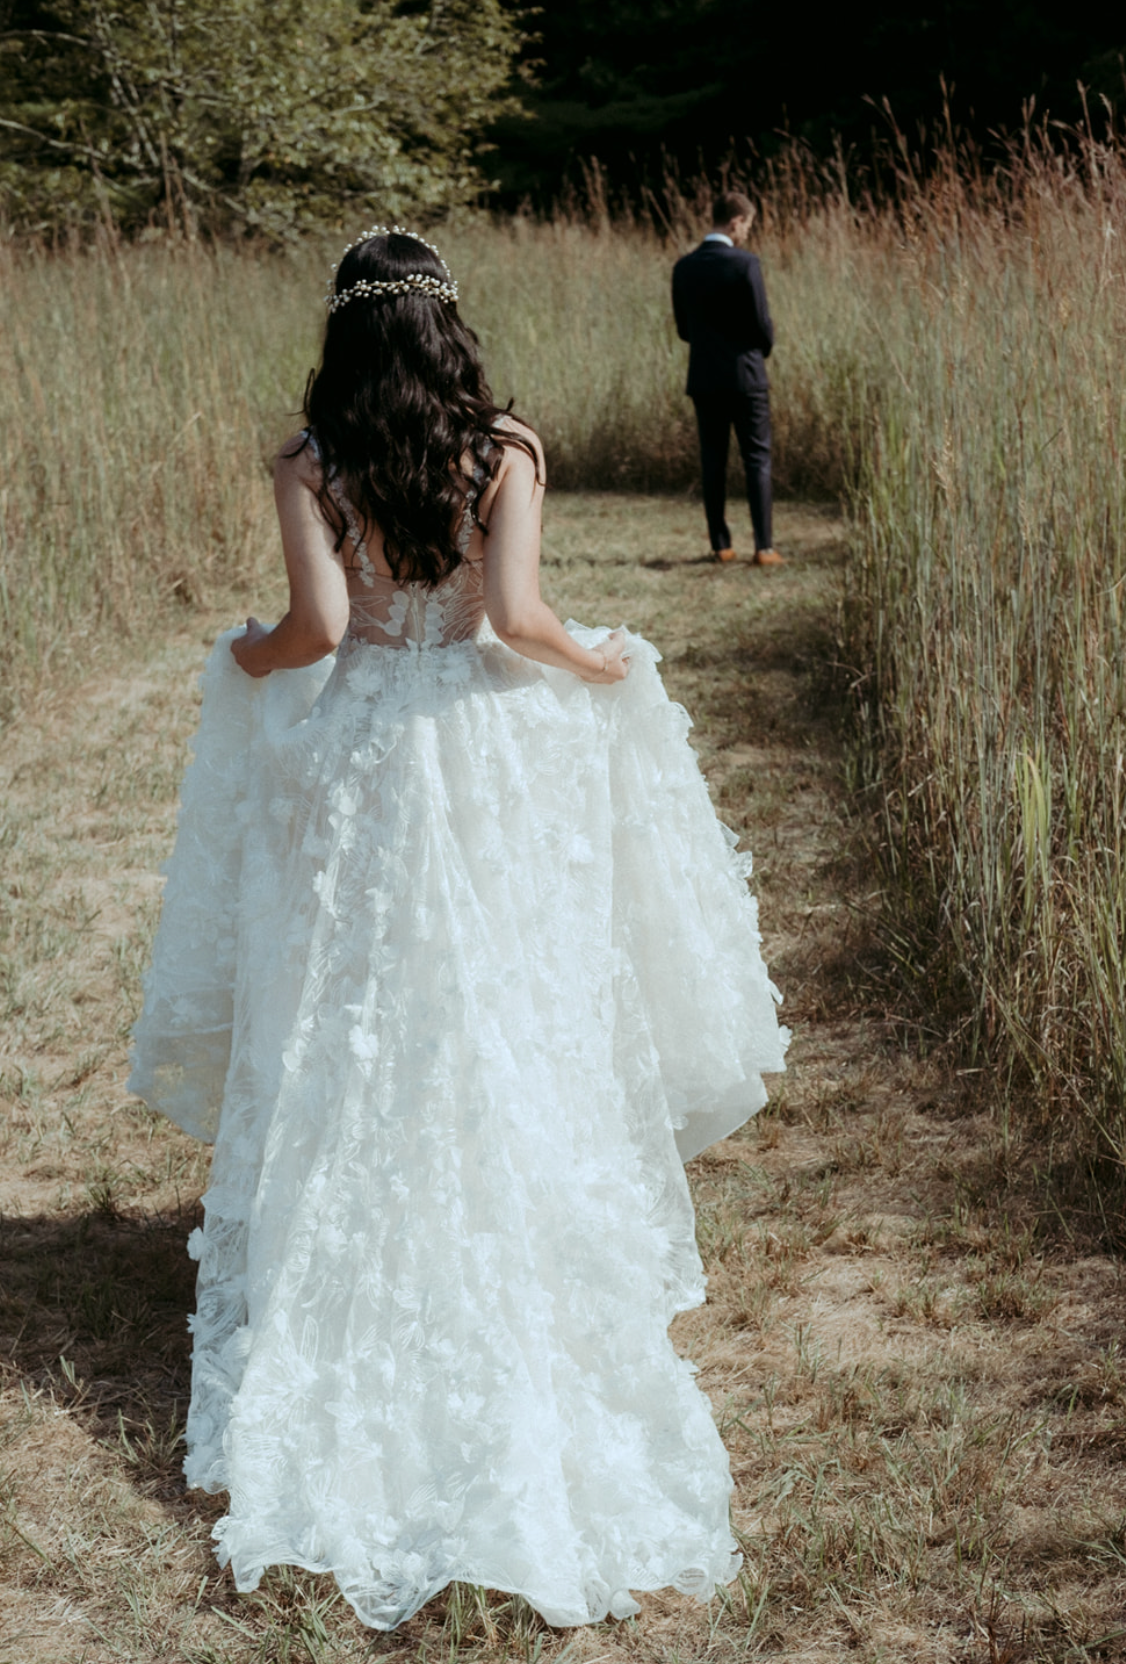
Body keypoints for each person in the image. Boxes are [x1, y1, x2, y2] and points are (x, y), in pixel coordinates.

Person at [129, 227, 788, 1632]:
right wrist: (599, 660)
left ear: (345, 333)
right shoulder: (509, 451)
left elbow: (313, 630)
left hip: (363, 746)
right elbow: (515, 617)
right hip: (482, 751)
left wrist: (240, 654)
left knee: (354, 1005)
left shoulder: (309, 461)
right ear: (446, 328)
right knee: (494, 996)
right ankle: (515, 1229)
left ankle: (349, 1240)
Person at [672, 190, 783, 566]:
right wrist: (759, 350)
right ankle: (764, 548)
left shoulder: (683, 267)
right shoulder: (745, 264)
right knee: (757, 458)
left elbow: (683, 329)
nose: (748, 232)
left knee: (713, 459)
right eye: (749, 224)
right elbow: (762, 323)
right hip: (747, 375)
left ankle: (721, 546)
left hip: (704, 377)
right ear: (735, 221)